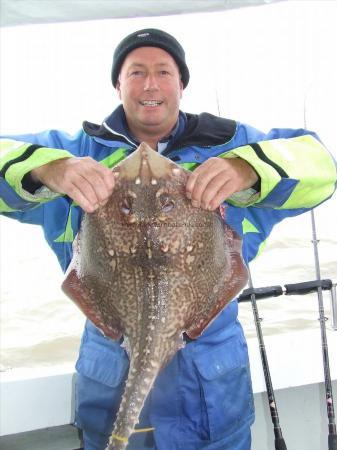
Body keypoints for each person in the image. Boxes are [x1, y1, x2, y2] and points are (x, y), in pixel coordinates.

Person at [0, 28, 336, 450]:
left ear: (182, 83)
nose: (151, 83)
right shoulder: (77, 152)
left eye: (164, 71)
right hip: (110, 369)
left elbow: (324, 165)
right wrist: (48, 170)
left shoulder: (228, 146)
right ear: (117, 84)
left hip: (210, 389)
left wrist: (248, 169)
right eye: (136, 72)